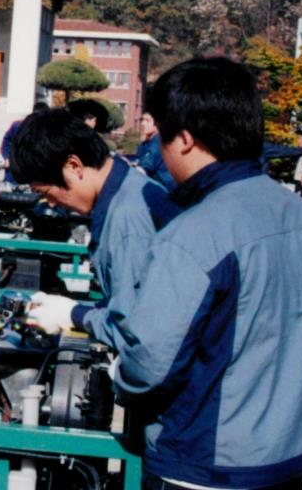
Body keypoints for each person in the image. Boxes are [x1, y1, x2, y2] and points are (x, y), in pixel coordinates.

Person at [28, 57, 302, 490]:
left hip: (205, 470)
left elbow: (148, 364)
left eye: (163, 138)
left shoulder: (198, 232)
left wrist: (116, 372)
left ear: (186, 139)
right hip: (285, 457)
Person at [12, 109, 178, 342]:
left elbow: (134, 332)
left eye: (46, 192)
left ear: (74, 166)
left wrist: (74, 314)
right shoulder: (127, 188)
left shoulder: (127, 219)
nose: (51, 203)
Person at [1, 101, 49, 183]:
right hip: (14, 171)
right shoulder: (17, 126)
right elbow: (6, 142)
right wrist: (7, 157)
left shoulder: (47, 131)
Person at [135, 109, 175, 191]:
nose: (143, 123)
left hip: (164, 190)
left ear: (157, 123)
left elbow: (142, 170)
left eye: (147, 120)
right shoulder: (144, 144)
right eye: (142, 120)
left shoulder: (158, 143)